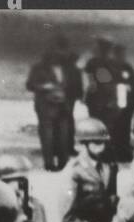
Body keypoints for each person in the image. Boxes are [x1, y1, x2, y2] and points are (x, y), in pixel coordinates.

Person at [25, 38, 83, 171]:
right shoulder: (38, 68)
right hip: (46, 107)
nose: (58, 58)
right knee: (47, 137)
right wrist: (44, 87)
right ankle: (49, 164)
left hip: (63, 106)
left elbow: (72, 85)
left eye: (60, 56)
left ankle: (63, 163)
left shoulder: (67, 69)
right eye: (55, 55)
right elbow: (29, 85)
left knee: (63, 135)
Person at [108, 44, 134, 164]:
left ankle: (123, 153)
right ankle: (114, 153)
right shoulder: (109, 67)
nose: (121, 57)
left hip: (127, 106)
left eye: (123, 54)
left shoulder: (128, 68)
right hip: (113, 106)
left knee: (125, 129)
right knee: (113, 130)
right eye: (119, 54)